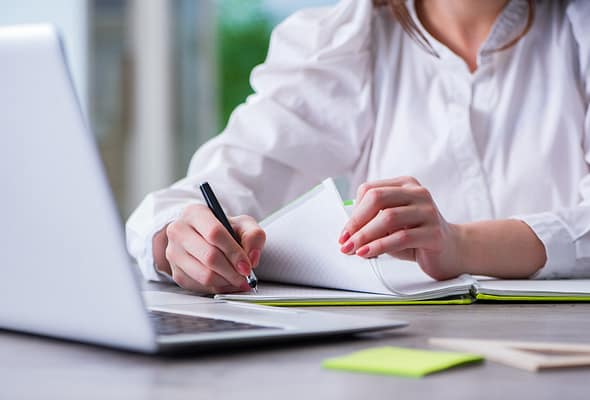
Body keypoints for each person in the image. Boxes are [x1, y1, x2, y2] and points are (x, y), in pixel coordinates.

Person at [126, 0, 590, 294]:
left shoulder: (576, 32)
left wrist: (460, 244)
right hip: (408, 361)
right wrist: (179, 239)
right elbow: (215, 185)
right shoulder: (345, 42)